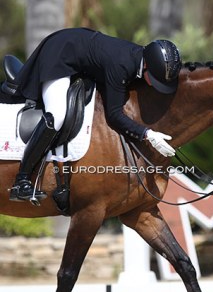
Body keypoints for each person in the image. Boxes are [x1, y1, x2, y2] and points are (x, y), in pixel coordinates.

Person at [8, 27, 182, 202]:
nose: (154, 85)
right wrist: (147, 134)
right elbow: (114, 115)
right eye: (155, 79)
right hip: (59, 55)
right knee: (58, 115)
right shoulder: (121, 65)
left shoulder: (139, 58)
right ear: (147, 66)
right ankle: (21, 180)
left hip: (78, 49)